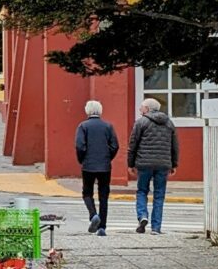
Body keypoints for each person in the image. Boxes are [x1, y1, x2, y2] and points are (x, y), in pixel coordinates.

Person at [127, 97, 179, 235]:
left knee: (142, 191)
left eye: (142, 107)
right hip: (163, 164)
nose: (140, 109)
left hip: (144, 163)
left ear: (147, 109)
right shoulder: (169, 123)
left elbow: (133, 145)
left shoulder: (141, 122)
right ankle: (156, 228)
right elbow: (174, 146)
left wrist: (130, 164)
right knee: (159, 195)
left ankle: (143, 215)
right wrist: (174, 164)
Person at [75, 100, 119, 237]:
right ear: (100, 111)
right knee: (104, 196)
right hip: (104, 166)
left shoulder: (83, 126)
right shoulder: (108, 126)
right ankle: (102, 227)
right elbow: (115, 145)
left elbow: (80, 145)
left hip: (88, 165)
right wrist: (108, 157)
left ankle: (93, 214)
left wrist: (82, 159)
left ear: (87, 111)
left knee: (87, 192)